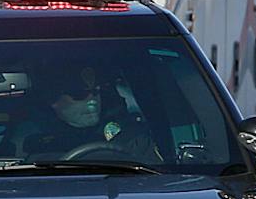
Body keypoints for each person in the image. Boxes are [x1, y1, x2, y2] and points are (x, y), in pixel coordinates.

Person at [10, 66, 162, 163]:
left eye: (96, 92)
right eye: (79, 95)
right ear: (52, 101)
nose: (92, 101)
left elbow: (156, 176)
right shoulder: (28, 140)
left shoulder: (129, 134)